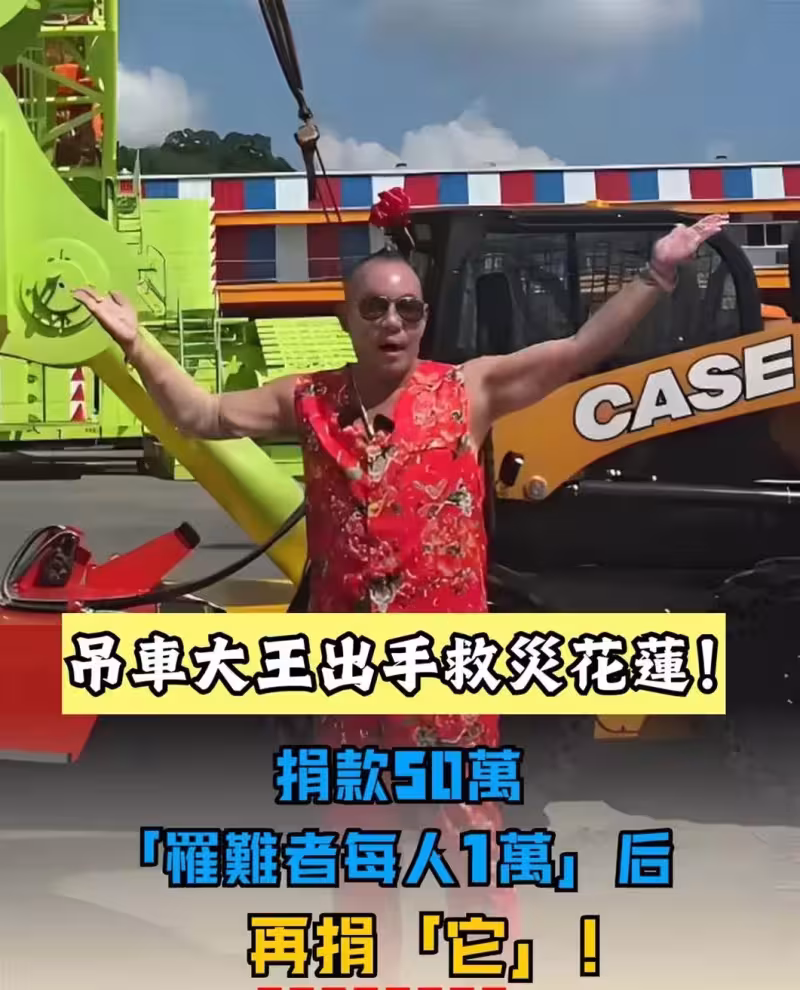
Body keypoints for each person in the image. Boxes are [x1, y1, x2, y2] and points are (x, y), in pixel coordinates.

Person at [74, 208, 727, 966]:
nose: (393, 322)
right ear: (347, 318)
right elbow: (202, 413)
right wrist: (136, 343)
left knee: (468, 841)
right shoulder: (309, 401)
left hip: (446, 671)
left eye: (408, 308)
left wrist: (657, 273)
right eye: (375, 307)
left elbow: (581, 349)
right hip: (350, 671)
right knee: (359, 843)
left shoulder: (468, 392)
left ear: (423, 320)